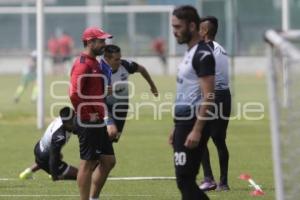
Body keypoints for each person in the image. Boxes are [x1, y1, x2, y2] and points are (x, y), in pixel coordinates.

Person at [169, 5, 216, 200]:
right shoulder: (190, 52)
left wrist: (196, 129)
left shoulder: (202, 55)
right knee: (184, 180)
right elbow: (185, 92)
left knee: (185, 180)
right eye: (173, 26)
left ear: (192, 26)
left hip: (193, 122)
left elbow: (209, 96)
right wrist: (176, 128)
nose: (174, 31)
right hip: (183, 122)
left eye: (178, 26)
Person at [69, 26, 118, 200]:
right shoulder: (83, 64)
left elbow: (91, 93)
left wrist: (103, 91)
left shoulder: (95, 62)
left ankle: (93, 198)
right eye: (101, 41)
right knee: (88, 163)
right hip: (88, 121)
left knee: (108, 161)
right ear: (90, 42)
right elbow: (74, 94)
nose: (104, 44)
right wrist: (86, 113)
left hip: (98, 120)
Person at [198, 16, 231, 192]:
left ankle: (209, 179)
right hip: (224, 96)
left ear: (204, 31)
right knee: (219, 140)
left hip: (212, 96)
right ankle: (223, 182)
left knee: (200, 137)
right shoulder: (220, 48)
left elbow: (204, 77)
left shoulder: (206, 49)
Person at [101, 44, 159, 142]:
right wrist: (103, 92)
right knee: (111, 133)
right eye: (116, 59)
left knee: (113, 139)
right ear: (107, 59)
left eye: (120, 58)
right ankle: (95, 155)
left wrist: (152, 86)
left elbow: (142, 69)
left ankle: (102, 156)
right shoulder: (99, 70)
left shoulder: (126, 65)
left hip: (122, 108)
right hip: (106, 108)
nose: (119, 62)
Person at [19, 107, 78, 181]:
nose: (75, 122)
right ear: (65, 123)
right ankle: (56, 173)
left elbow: (75, 129)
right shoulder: (59, 136)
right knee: (80, 174)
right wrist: (54, 175)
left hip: (39, 147)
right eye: (71, 122)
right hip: (45, 156)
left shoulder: (65, 117)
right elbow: (53, 157)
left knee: (58, 156)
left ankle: (27, 172)